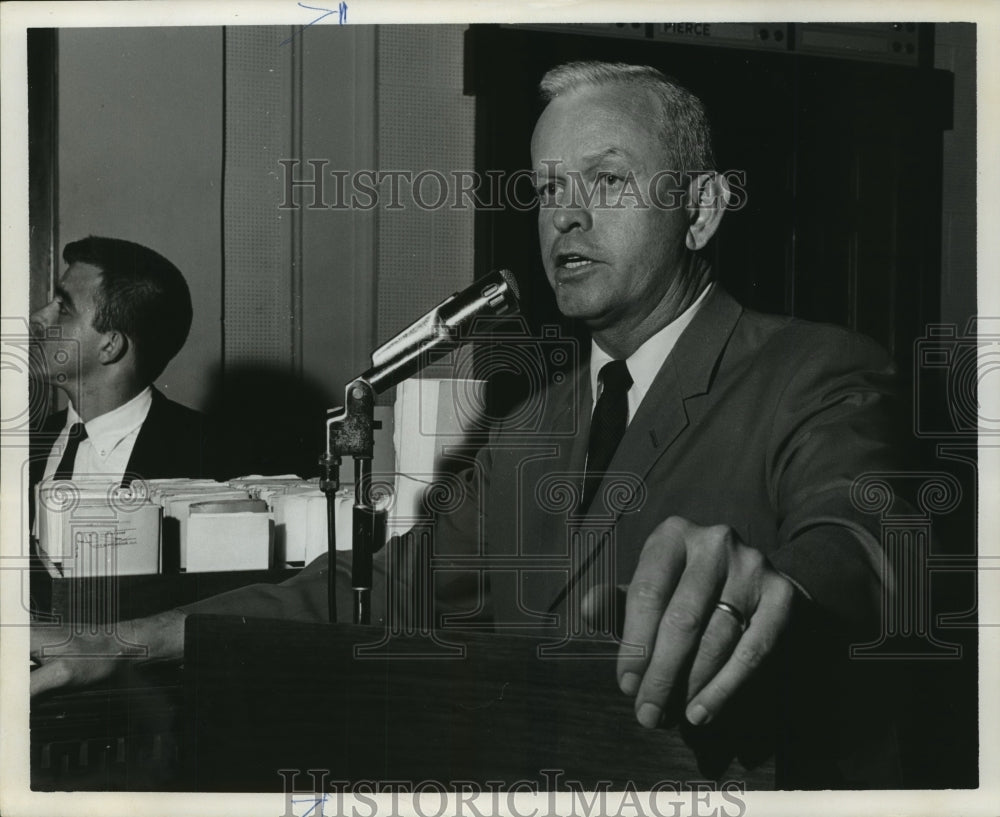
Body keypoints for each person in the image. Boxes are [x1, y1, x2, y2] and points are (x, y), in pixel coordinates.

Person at [30, 65, 903, 781]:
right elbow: (373, 587)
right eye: (548, 187)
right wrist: (121, 641)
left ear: (703, 208)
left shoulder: (815, 369)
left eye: (606, 179)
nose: (565, 213)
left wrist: (783, 589)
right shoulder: (528, 428)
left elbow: (858, 546)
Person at [29, 235, 218, 494]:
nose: (37, 318)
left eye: (63, 309)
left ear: (110, 346)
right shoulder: (24, 446)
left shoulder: (210, 458)